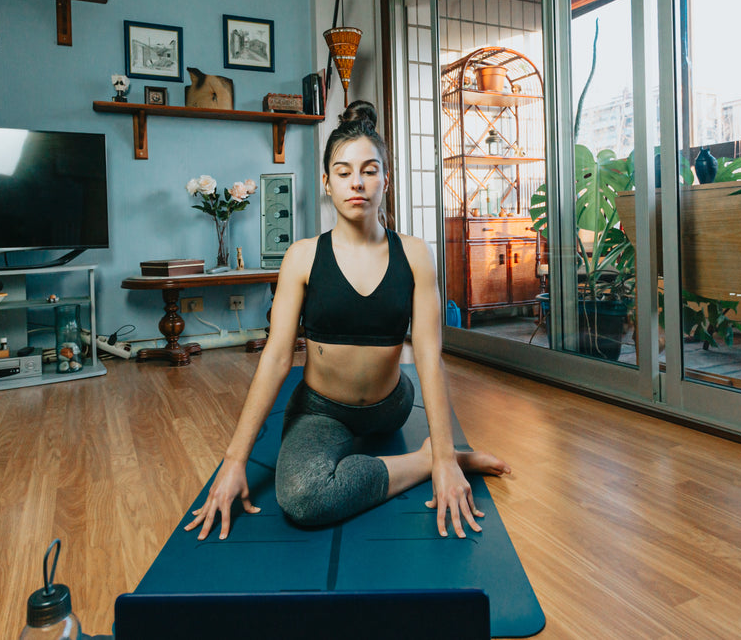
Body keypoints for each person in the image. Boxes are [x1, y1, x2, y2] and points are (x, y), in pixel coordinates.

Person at [185, 101, 510, 541]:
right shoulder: (302, 257)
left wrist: (449, 457)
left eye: (370, 169)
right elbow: (277, 358)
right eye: (343, 172)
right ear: (327, 183)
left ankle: (441, 453)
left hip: (391, 405)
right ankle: (422, 459)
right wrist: (234, 460)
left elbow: (430, 358)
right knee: (303, 498)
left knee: (413, 418)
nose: (357, 182)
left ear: (386, 181)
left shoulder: (414, 254)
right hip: (322, 410)